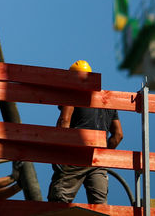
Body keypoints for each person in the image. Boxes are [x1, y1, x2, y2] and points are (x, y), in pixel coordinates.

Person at [47, 60, 123, 205]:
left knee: (58, 202)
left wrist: (58, 153)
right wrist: (103, 153)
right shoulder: (106, 100)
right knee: (100, 207)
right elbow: (118, 135)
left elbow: (64, 122)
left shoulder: (74, 93)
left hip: (76, 154)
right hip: (99, 160)